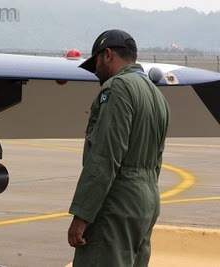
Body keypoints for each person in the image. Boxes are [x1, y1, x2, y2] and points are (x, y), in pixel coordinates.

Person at [67, 29, 170, 266]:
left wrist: (82, 215)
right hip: (146, 201)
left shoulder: (118, 87)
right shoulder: (157, 96)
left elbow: (105, 155)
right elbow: (157, 160)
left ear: (108, 55)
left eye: (95, 64)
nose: (95, 72)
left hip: (115, 204)